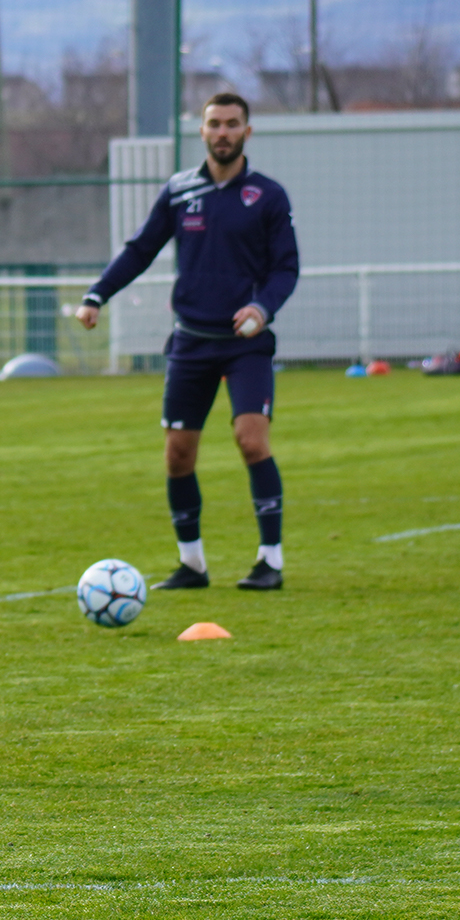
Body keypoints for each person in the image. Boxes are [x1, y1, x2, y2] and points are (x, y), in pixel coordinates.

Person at [77, 93, 298, 590]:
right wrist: (97, 295)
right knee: (178, 454)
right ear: (201, 131)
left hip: (245, 345)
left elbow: (287, 268)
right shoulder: (180, 191)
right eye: (214, 124)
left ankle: (271, 561)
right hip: (191, 342)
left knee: (251, 439)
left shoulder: (268, 196)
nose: (223, 132)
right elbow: (140, 250)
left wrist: (262, 308)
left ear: (247, 131)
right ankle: (192, 564)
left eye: (232, 124)